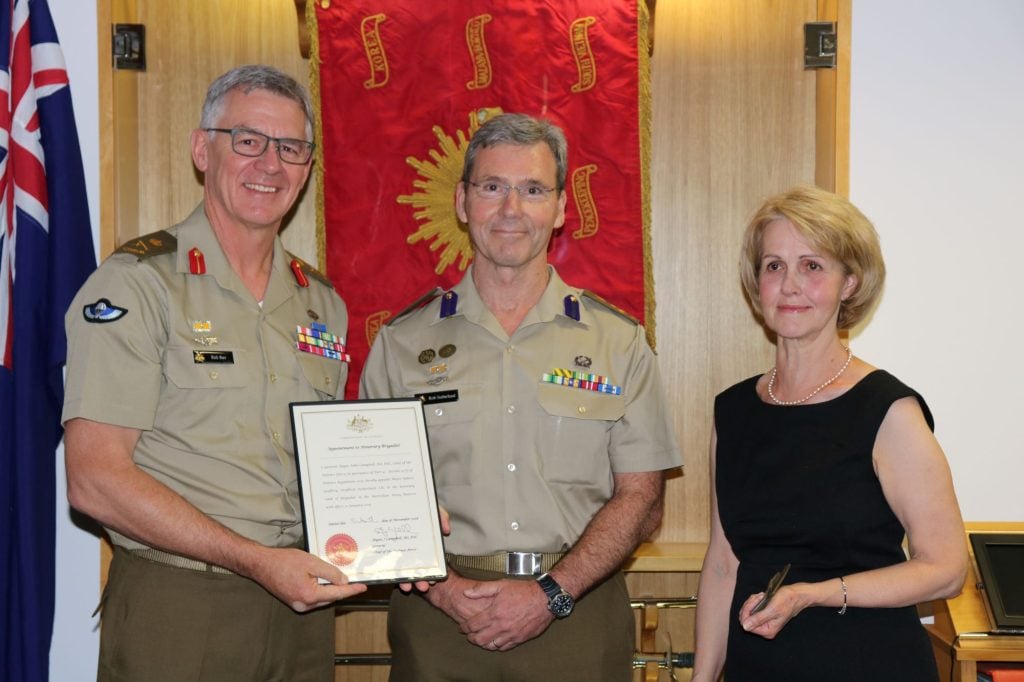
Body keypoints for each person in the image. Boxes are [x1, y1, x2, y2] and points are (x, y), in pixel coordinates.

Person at [62, 65, 367, 681]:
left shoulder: (321, 302)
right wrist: (256, 561)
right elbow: (94, 479)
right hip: (180, 605)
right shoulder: (138, 284)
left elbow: (328, 465)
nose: (271, 165)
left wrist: (396, 520)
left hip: (300, 609)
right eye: (248, 140)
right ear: (204, 150)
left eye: (291, 149)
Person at [359, 113, 682, 681]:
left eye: (532, 190)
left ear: (559, 209)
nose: (511, 210)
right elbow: (378, 498)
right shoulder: (401, 344)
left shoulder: (619, 341)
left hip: (574, 615)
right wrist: (447, 591)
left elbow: (642, 500)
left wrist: (552, 593)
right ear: (462, 202)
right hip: (440, 619)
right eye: (492, 187)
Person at [692, 185, 967, 682]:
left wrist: (813, 592)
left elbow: (947, 569)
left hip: (867, 663)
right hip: (759, 667)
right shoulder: (732, 411)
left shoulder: (888, 410)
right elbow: (722, 564)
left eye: (812, 266)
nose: (790, 284)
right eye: (774, 265)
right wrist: (702, 677)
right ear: (757, 284)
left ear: (850, 284)